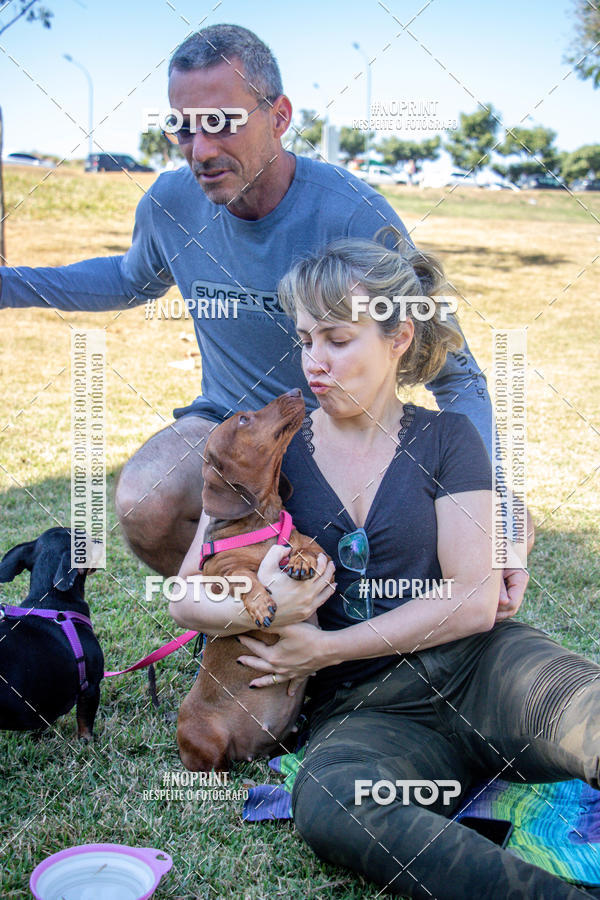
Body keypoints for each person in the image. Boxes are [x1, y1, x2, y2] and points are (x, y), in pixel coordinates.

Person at [170, 233, 598, 898]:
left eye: (337, 339)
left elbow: (474, 600)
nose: (315, 361)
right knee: (333, 803)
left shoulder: (447, 437)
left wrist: (322, 647)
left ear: (398, 337)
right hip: (368, 714)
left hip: (486, 669)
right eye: (306, 339)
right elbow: (183, 598)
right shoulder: (273, 450)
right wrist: (260, 609)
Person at [0, 24, 497, 580]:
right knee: (147, 499)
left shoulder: (353, 215)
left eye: (222, 124)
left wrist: (489, 502)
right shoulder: (170, 204)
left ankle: (327, 629)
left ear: (279, 116)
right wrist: (7, 283)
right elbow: (126, 278)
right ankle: (231, 620)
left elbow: (458, 376)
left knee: (388, 553)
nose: (201, 150)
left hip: (345, 429)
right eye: (183, 128)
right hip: (235, 425)